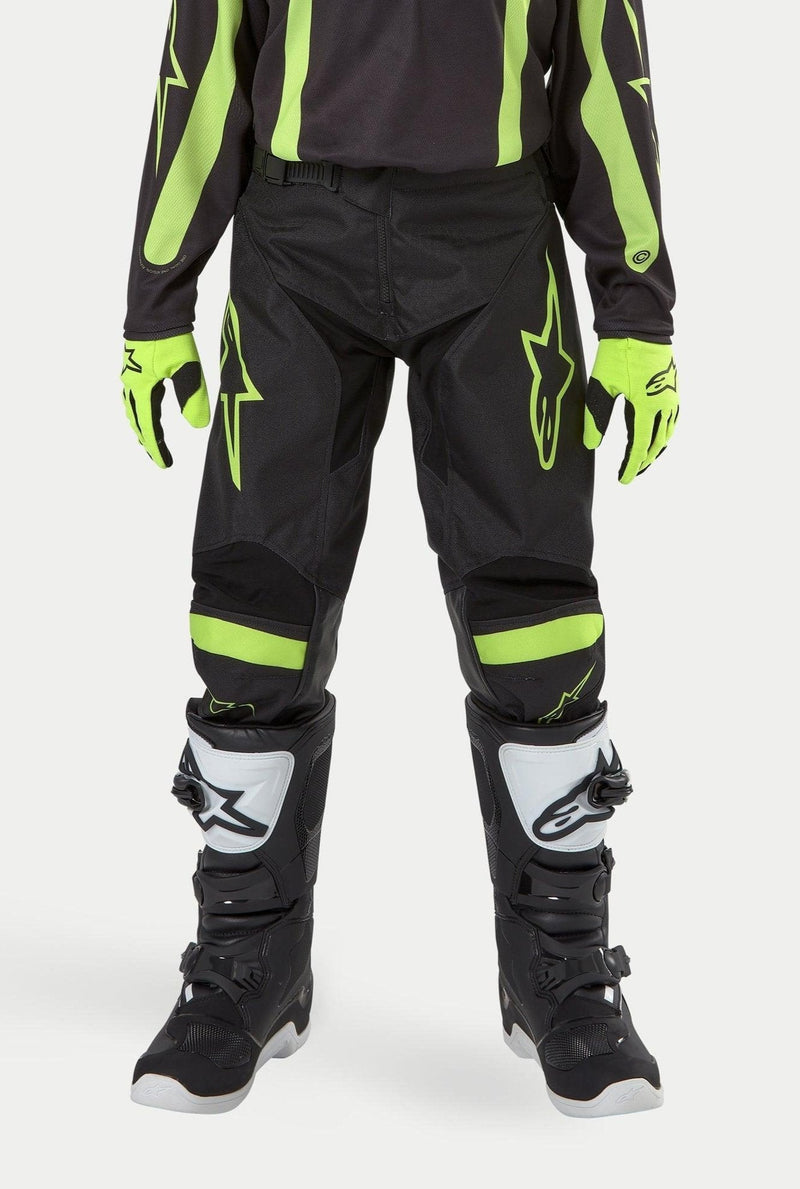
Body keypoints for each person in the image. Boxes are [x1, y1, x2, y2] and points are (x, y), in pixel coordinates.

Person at [121, 0, 679, 1118]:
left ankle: (560, 971)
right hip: (294, 242)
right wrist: (157, 298)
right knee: (252, 611)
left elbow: (603, 62)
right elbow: (205, 55)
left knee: (536, 616)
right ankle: (247, 963)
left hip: (494, 241)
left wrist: (636, 309)